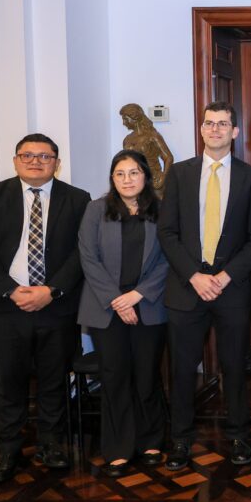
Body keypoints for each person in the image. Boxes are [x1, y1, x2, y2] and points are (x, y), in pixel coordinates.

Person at [0, 134, 91, 483]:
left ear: (57, 163)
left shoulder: (77, 199)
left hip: (56, 305)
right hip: (6, 306)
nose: (36, 161)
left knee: (54, 379)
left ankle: (51, 444)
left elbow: (82, 251)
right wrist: (10, 290)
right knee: (9, 380)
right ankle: (9, 448)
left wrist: (52, 290)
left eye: (44, 156)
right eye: (28, 155)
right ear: (16, 160)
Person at [157, 102, 251, 470]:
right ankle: (181, 439)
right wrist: (194, 275)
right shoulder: (180, 174)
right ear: (201, 129)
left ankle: (237, 436)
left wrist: (226, 276)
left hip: (231, 287)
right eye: (209, 123)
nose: (215, 129)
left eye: (222, 124)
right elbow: (167, 232)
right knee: (182, 369)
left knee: (234, 366)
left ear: (235, 132)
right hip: (187, 286)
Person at [77, 150, 169, 477]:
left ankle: (151, 441)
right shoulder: (96, 210)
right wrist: (118, 300)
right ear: (112, 178)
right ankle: (118, 448)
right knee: (114, 376)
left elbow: (169, 258)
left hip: (149, 304)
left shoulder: (162, 210)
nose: (127, 179)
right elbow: (88, 257)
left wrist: (137, 296)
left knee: (147, 374)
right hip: (106, 307)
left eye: (133, 173)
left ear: (146, 176)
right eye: (120, 173)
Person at [120, 103, 175, 196]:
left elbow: (168, 158)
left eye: (125, 119)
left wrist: (163, 177)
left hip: (153, 180)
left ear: (134, 117)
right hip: (134, 181)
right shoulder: (127, 139)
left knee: (157, 204)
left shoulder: (152, 136)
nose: (124, 123)